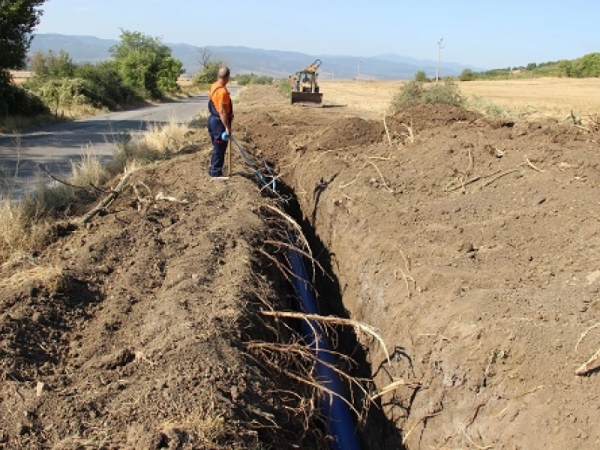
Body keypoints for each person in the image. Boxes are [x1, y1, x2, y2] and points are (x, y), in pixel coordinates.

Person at [207, 66, 234, 177]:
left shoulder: (214, 86)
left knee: (217, 147)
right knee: (219, 148)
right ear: (227, 77)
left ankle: (213, 168)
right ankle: (215, 172)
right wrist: (227, 127)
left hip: (212, 120)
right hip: (219, 123)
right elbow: (222, 111)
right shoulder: (222, 91)